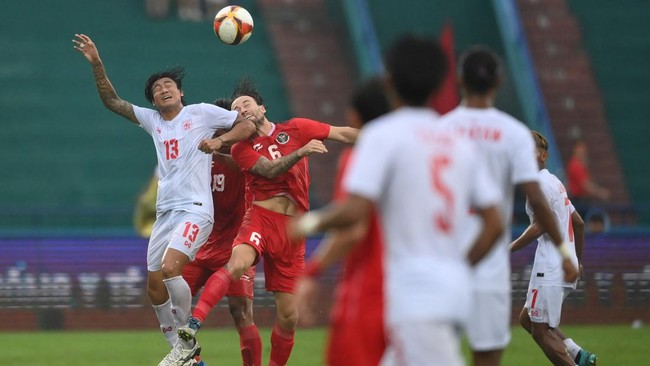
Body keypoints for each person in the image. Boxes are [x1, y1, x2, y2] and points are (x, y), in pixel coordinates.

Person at [290, 34, 505, 366]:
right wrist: (459, 266)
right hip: (454, 289)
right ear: (441, 83)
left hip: (413, 294)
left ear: (389, 81)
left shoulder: (384, 136)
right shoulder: (457, 142)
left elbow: (355, 211)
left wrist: (307, 223)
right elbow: (494, 222)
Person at [73, 33, 256, 366]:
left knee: (173, 269)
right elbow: (113, 102)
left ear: (181, 92)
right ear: (154, 101)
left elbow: (245, 125)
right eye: (156, 88)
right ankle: (186, 352)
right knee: (155, 288)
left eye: (169, 84)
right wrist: (98, 64)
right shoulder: (153, 121)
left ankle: (186, 340)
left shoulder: (201, 114)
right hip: (166, 213)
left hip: (197, 209)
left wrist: (222, 141)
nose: (163, 89)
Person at [164, 77, 359, 366]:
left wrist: (384, 139)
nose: (242, 109)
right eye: (236, 108)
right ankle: (194, 322)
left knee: (289, 317)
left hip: (293, 230)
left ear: (263, 108)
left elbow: (343, 134)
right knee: (238, 262)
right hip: (260, 217)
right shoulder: (241, 149)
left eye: (246, 104)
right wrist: (302, 152)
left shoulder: (296, 128)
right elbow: (268, 170)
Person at [439, 46, 579, 366]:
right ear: (498, 82)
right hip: (490, 262)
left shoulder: (442, 129)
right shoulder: (513, 134)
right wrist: (563, 250)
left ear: (460, 80)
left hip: (446, 259)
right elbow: (538, 200)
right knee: (486, 354)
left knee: (434, 350)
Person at [294, 76, 390, 366]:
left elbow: (353, 227)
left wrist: (306, 229)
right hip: (428, 293)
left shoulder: (361, 157)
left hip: (373, 290)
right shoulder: (434, 149)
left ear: (354, 116)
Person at [510, 131, 598, 366]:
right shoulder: (555, 182)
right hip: (562, 264)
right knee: (526, 318)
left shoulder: (538, 183)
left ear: (543, 156)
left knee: (540, 331)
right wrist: (577, 261)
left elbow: (539, 225)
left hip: (549, 266)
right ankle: (578, 354)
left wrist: (509, 248)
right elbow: (578, 223)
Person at [566, 140, 610, 217]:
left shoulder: (581, 165)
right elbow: (585, 185)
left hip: (583, 200)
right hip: (578, 200)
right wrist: (600, 193)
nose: (583, 153)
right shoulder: (575, 165)